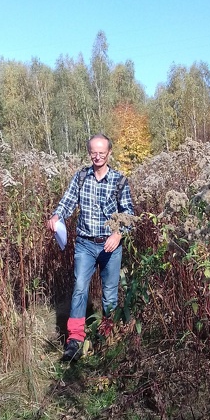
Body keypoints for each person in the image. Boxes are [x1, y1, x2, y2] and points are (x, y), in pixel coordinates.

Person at [48, 133, 134, 361]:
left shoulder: (119, 180)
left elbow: (129, 214)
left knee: (109, 296)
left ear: (109, 153)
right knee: (79, 288)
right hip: (85, 244)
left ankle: (108, 337)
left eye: (102, 152)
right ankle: (74, 341)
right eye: (94, 152)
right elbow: (67, 201)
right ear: (89, 153)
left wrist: (119, 234)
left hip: (110, 246)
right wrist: (57, 216)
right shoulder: (81, 177)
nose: (97, 156)